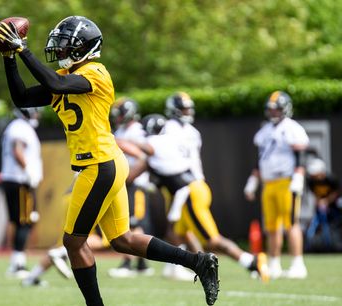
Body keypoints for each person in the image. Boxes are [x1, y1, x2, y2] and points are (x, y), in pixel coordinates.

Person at [0, 15, 219, 305]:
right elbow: (23, 97)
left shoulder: (96, 72)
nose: (60, 51)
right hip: (104, 163)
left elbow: (52, 82)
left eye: (66, 46)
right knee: (122, 240)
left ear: (83, 47)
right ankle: (199, 262)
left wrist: (24, 49)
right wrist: (9, 57)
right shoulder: (64, 78)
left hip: (100, 165)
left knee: (73, 242)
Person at [123, 113, 270, 283]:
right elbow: (133, 175)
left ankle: (252, 261)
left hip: (189, 192)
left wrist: (114, 141)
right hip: (186, 192)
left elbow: (143, 152)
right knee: (178, 233)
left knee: (212, 240)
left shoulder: (159, 143)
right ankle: (201, 267)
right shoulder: (165, 145)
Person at [244, 90, 309, 279]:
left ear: (285, 109)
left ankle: (298, 263)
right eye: (270, 110)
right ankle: (274, 263)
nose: (273, 113)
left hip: (287, 181)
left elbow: (300, 156)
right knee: (271, 226)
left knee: (291, 223)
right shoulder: (265, 131)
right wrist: (253, 181)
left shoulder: (293, 128)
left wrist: (298, 177)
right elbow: (261, 159)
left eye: (276, 109)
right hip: (269, 183)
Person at [109, 97, 155, 278]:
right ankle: (141, 263)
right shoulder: (122, 130)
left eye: (119, 114)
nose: (117, 118)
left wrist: (129, 177)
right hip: (125, 182)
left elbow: (146, 155)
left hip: (135, 183)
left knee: (133, 223)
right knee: (131, 223)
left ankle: (129, 263)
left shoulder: (137, 131)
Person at [0, 107, 43, 279]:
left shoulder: (17, 126)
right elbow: (17, 150)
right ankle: (18, 264)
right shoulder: (20, 127)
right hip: (19, 181)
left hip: (14, 180)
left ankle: (17, 262)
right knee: (25, 221)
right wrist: (29, 171)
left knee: (22, 221)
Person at [305, 157, 341, 251]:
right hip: (320, 208)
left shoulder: (331, 179)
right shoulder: (311, 181)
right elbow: (314, 193)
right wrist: (319, 202)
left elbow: (336, 193)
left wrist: (327, 201)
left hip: (334, 208)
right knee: (314, 225)